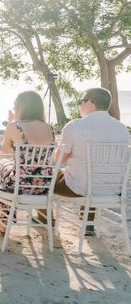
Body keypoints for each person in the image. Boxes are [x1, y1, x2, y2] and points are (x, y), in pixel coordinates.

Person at [45, 87, 130, 235]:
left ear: (91, 103)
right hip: (113, 189)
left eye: (81, 101)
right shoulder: (122, 128)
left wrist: (58, 148)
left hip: (78, 189)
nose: (79, 105)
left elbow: (59, 160)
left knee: (45, 175)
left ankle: (45, 218)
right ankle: (88, 222)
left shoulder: (75, 126)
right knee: (92, 174)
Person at [0, 91, 55, 234]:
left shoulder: (14, 126)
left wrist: (10, 122)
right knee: (7, 172)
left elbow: (5, 149)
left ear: (22, 107)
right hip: (43, 185)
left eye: (16, 105)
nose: (14, 108)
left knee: (1, 166)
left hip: (19, 184)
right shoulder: (49, 128)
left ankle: (3, 225)